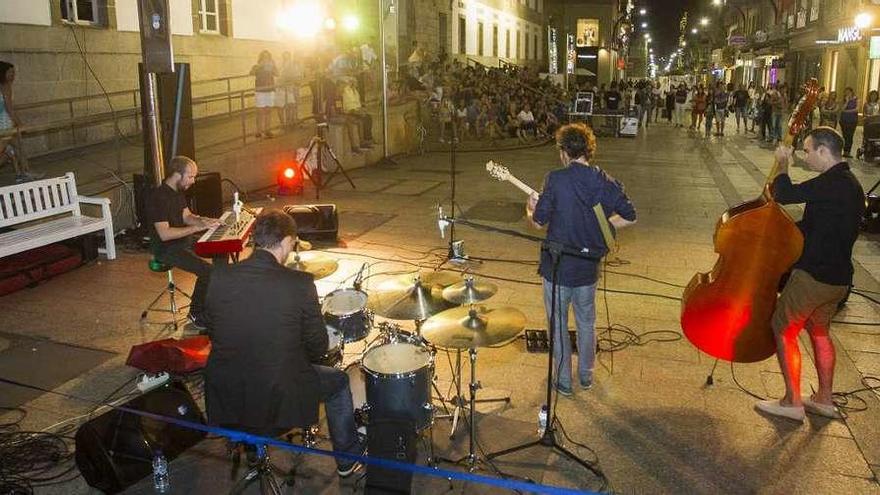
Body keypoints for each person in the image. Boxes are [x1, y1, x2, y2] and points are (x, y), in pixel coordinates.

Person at [204, 210, 365, 476]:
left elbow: (214, 329)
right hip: (275, 395)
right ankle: (347, 459)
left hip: (226, 393)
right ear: (287, 241)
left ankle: (254, 450)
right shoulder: (299, 283)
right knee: (337, 382)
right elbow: (318, 347)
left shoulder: (219, 276)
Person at [755, 127, 864, 422]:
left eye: (807, 151)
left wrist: (783, 163)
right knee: (819, 332)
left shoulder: (831, 184)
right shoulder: (850, 184)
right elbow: (817, 224)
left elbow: (786, 193)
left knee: (783, 328)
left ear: (823, 152)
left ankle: (792, 401)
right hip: (839, 279)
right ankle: (824, 399)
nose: (805, 157)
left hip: (814, 276)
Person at [526, 123, 637, 396]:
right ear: (588, 150)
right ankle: (586, 376)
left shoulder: (555, 179)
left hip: (558, 268)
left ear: (564, 152)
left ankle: (563, 380)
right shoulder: (605, 181)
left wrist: (529, 209)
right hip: (588, 270)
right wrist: (604, 227)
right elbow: (630, 215)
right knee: (587, 322)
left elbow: (539, 223)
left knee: (558, 324)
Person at [146, 156, 221, 330]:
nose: (193, 181)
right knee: (207, 272)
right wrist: (196, 229)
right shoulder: (158, 198)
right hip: (167, 249)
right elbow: (164, 234)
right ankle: (195, 313)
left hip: (182, 241)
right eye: (190, 176)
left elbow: (187, 216)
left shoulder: (177, 191)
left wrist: (205, 221)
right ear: (177, 174)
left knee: (219, 248)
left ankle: (214, 302)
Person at [0, 61, 41, 183]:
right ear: (3, 73)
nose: (13, 75)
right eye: (10, 72)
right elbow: (9, 108)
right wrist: (20, 124)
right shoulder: (6, 86)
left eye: (14, 72)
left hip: (4, 122)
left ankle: (23, 173)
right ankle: (24, 172)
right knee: (5, 150)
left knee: (18, 147)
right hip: (5, 124)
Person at [250, 50, 278, 138]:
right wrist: (260, 66)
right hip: (260, 91)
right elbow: (251, 73)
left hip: (270, 90)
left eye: (267, 57)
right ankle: (258, 130)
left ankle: (267, 130)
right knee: (260, 112)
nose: (266, 58)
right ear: (261, 58)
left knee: (268, 111)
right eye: (264, 57)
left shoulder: (271, 66)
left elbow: (277, 74)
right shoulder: (257, 66)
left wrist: (273, 66)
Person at [277, 51, 302, 128]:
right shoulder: (280, 65)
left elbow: (296, 77)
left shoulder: (293, 65)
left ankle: (290, 120)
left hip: (289, 88)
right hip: (280, 88)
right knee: (281, 106)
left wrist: (290, 79)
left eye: (287, 57)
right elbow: (277, 75)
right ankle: (284, 123)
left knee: (291, 105)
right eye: (284, 57)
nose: (286, 58)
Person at [839, 87, 858, 157]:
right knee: (845, 135)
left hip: (852, 120)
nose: (847, 93)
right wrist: (847, 101)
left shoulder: (856, 99)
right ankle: (845, 151)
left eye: (848, 92)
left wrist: (847, 111)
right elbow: (842, 109)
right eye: (846, 92)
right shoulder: (844, 100)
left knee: (850, 136)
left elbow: (856, 109)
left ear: (852, 92)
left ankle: (848, 151)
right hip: (844, 120)